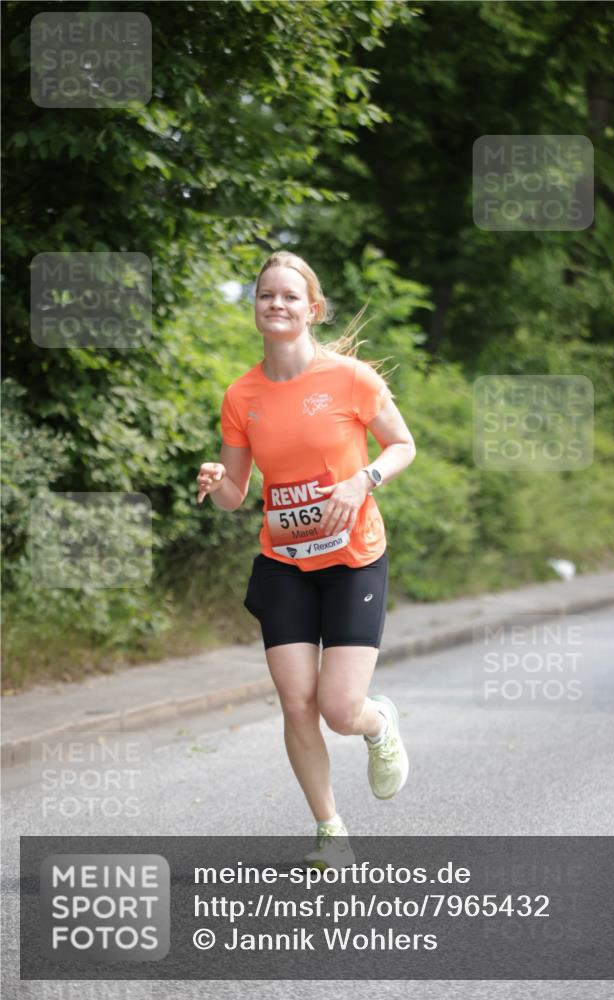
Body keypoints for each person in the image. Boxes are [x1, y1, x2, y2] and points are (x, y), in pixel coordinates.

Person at [196, 251, 416, 869]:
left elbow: (403, 445)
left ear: (312, 309)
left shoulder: (350, 379)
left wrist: (362, 480)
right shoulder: (242, 395)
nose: (277, 304)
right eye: (267, 295)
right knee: (297, 702)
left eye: (290, 296)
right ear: (256, 309)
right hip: (284, 561)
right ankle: (330, 830)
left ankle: (379, 725)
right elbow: (235, 497)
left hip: (352, 558)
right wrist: (216, 482)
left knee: (340, 710)